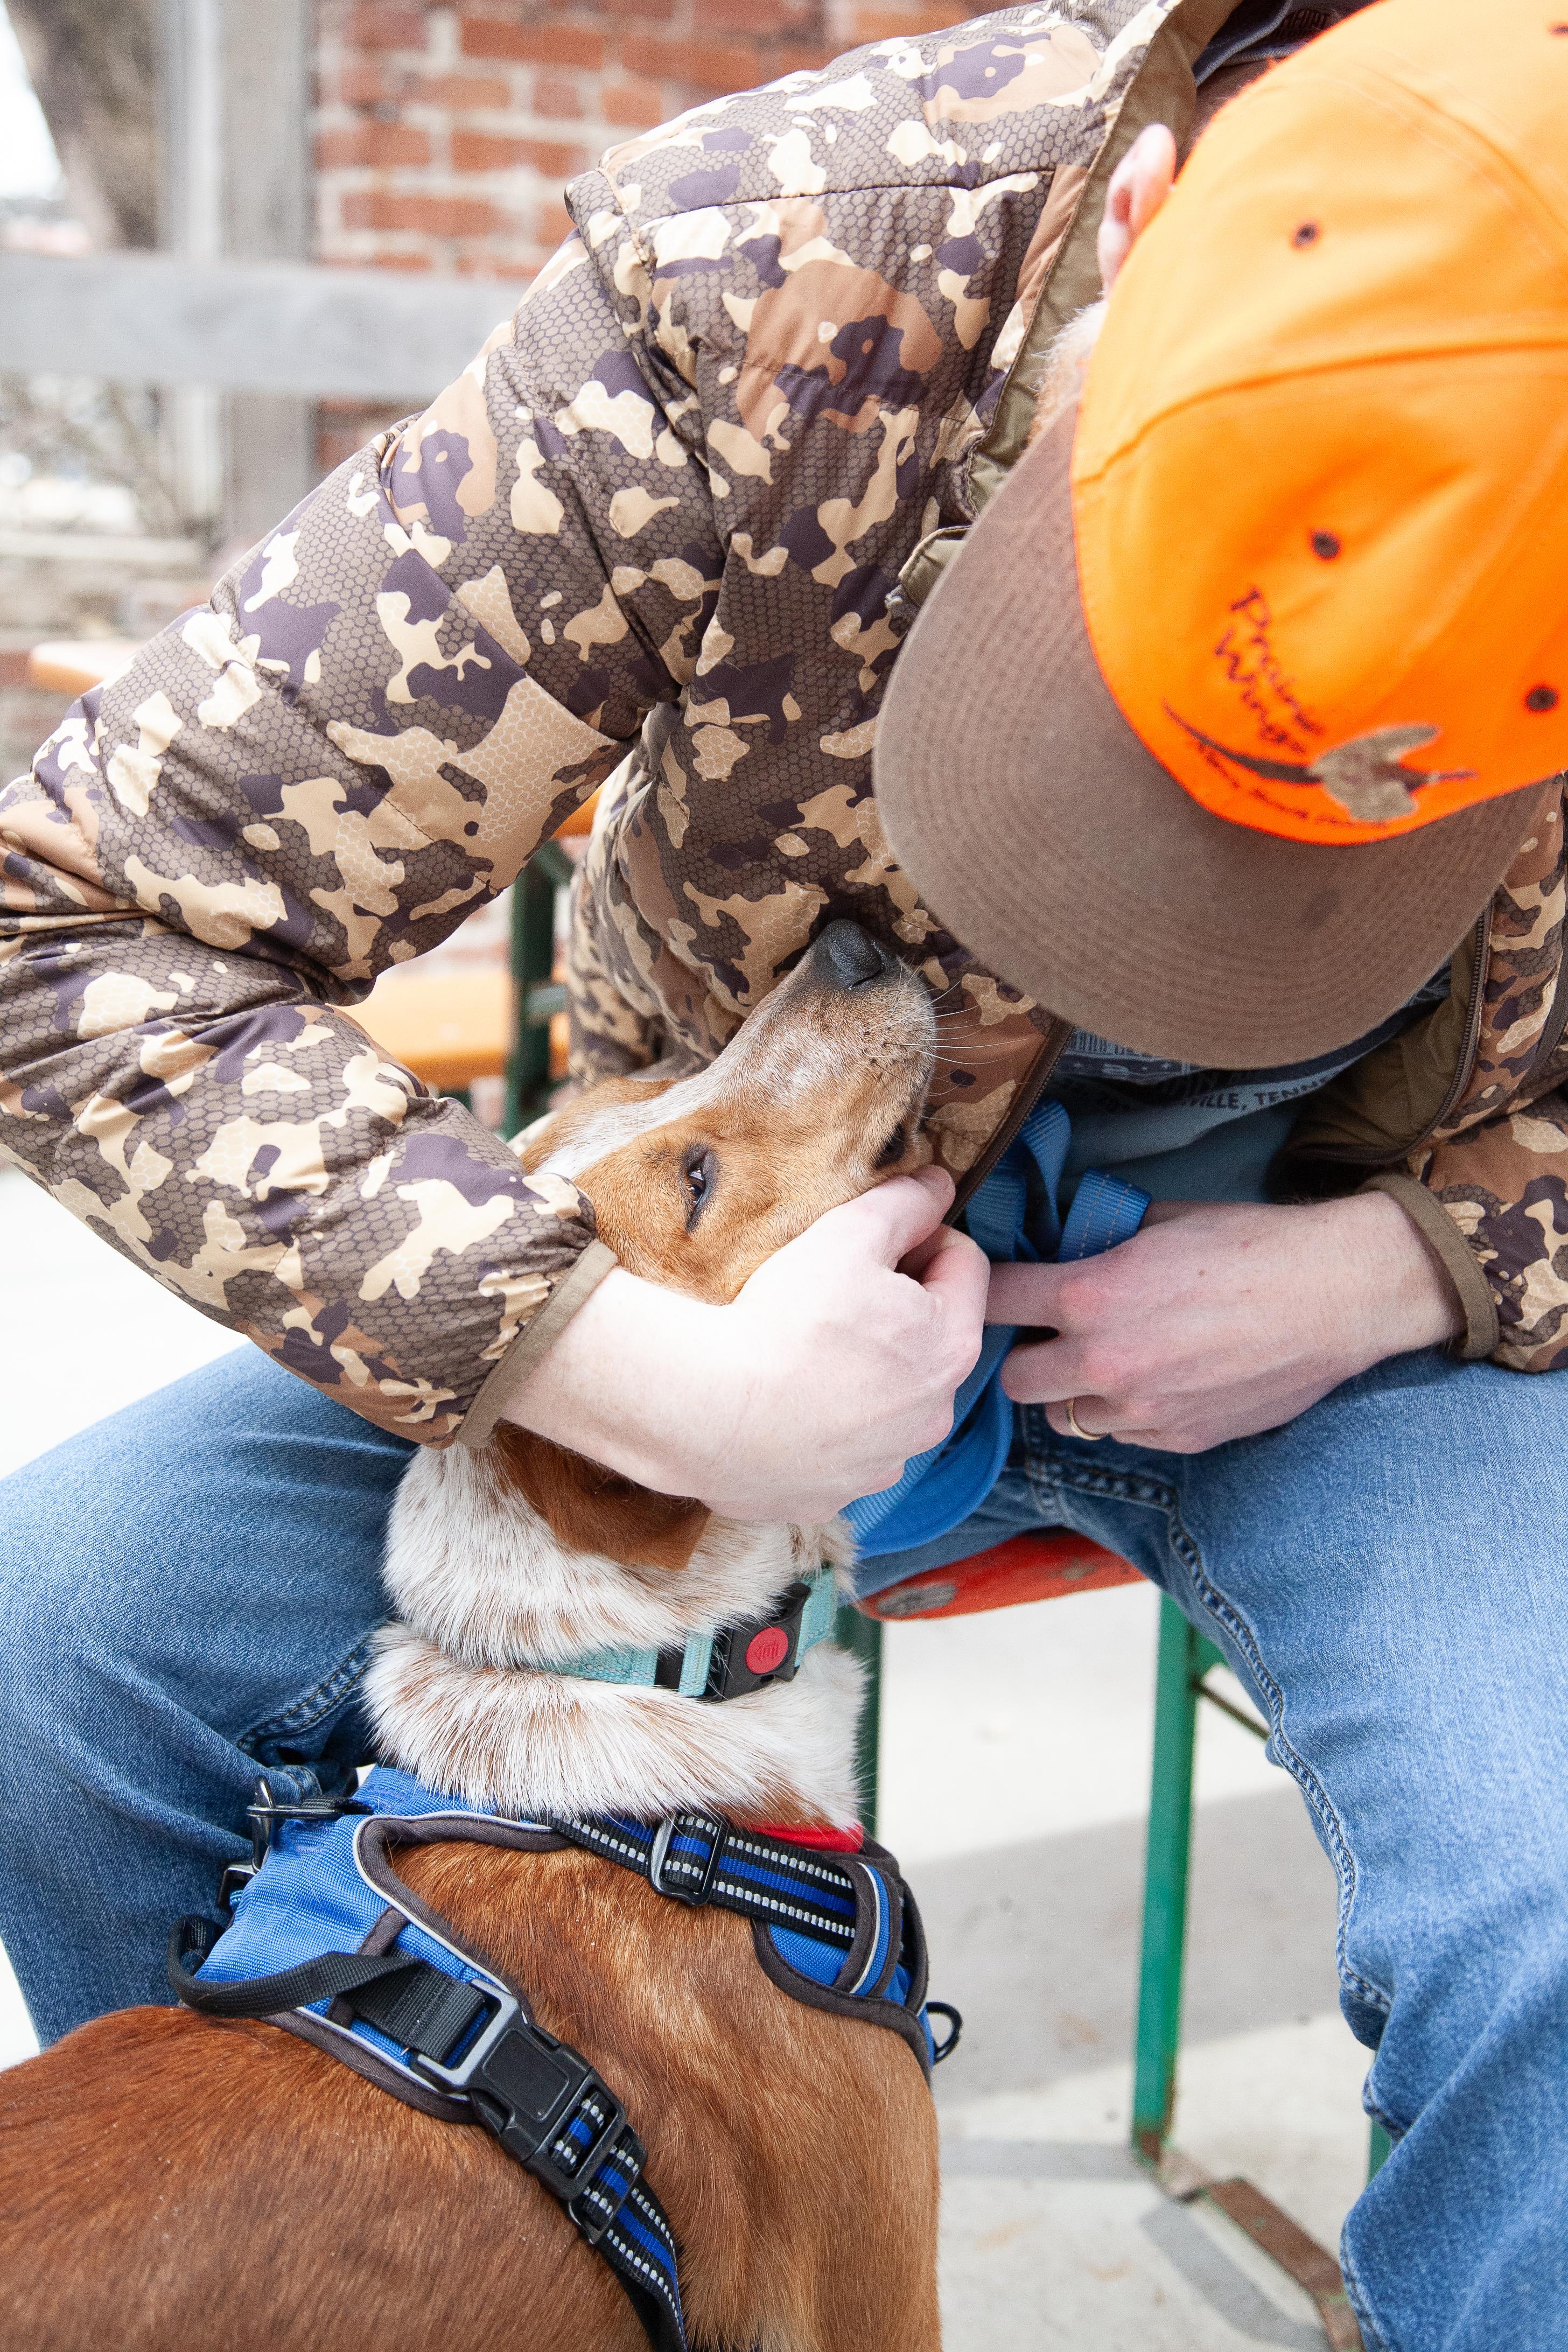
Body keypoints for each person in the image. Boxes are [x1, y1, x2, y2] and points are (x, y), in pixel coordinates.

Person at [1, 0, 1564, 2338]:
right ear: (1142, 233)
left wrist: (1420, 1270)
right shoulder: (767, 277)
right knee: (72, 1628)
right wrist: (612, 1362)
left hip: (1359, 1344)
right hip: (699, 1297)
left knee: (1554, 1919)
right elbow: (64, 927)